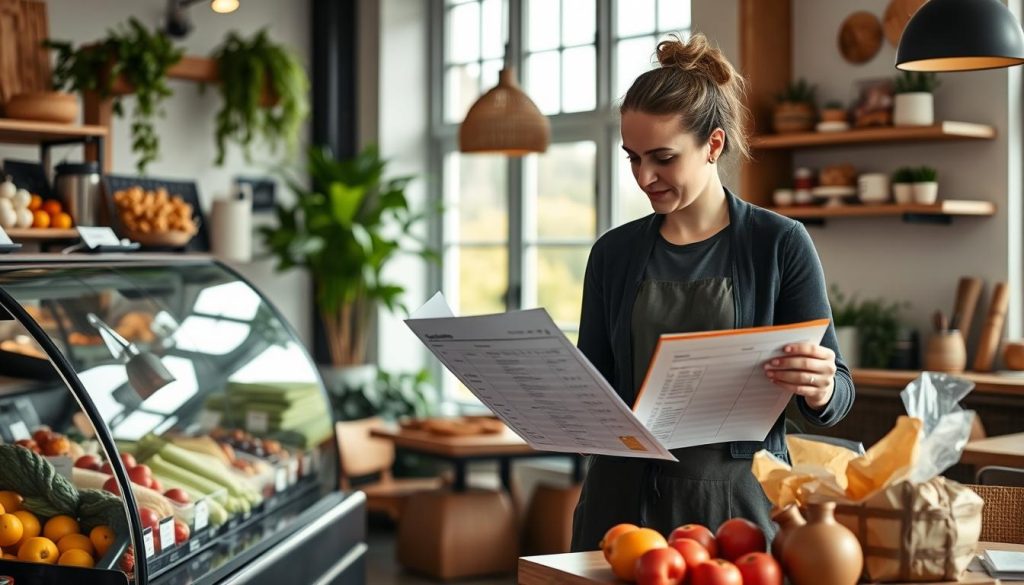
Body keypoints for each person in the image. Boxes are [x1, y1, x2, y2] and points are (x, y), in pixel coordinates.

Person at [570, 33, 855, 551]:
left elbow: (837, 388)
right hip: (616, 511)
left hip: (733, 512)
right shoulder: (612, 254)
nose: (644, 176)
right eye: (632, 158)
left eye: (662, 157)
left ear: (714, 146)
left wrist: (819, 387)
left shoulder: (778, 243)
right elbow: (594, 384)